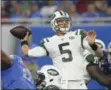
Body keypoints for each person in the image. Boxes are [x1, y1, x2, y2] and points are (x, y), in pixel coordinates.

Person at [20, 10, 107, 89]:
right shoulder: (48, 41)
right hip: (62, 83)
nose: (64, 23)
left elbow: (99, 54)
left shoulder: (78, 34)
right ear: (53, 23)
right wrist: (24, 41)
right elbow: (27, 53)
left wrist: (93, 45)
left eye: (66, 21)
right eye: (60, 21)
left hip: (79, 81)